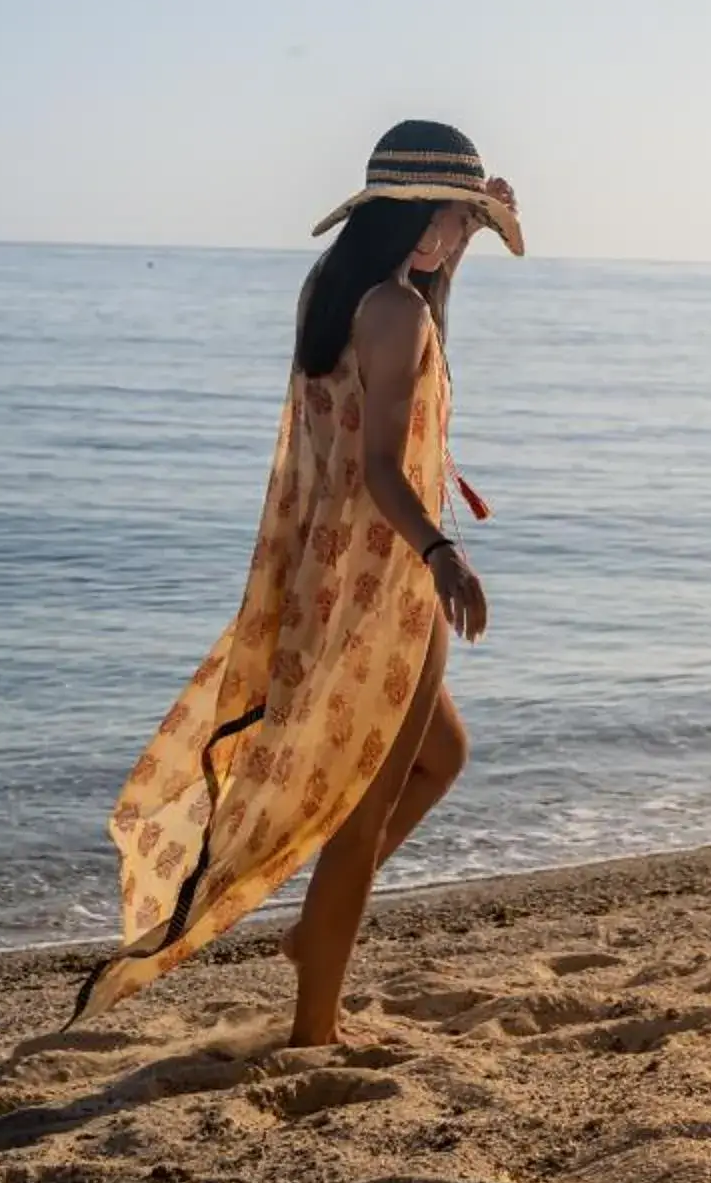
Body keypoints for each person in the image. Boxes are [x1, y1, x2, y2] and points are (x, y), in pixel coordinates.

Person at [71, 121, 520, 1044]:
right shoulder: (398, 313)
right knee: (361, 819)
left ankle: (316, 930)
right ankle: (316, 1028)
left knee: (442, 759)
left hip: (327, 574)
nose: (453, 233)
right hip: (386, 578)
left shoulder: (336, 290)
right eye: (450, 216)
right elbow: (383, 470)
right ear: (411, 216)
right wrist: (442, 552)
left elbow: (406, 362)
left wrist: (465, 243)